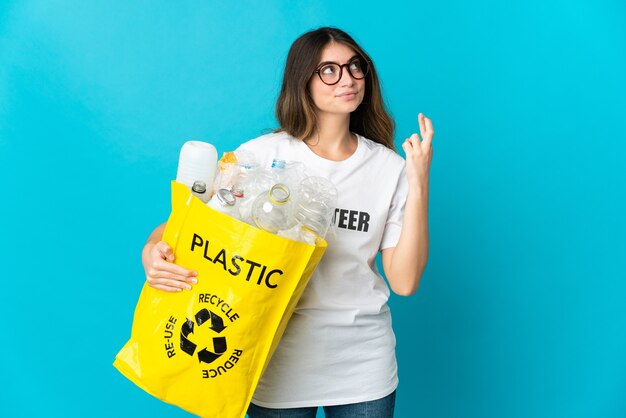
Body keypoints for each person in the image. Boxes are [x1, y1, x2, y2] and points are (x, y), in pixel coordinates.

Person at [141, 27, 434, 418]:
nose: (347, 79)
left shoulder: (389, 168)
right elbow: (187, 221)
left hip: (362, 364)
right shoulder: (260, 156)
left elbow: (404, 281)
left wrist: (419, 183)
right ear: (302, 83)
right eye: (328, 70)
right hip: (273, 358)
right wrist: (151, 252)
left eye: (354, 67)